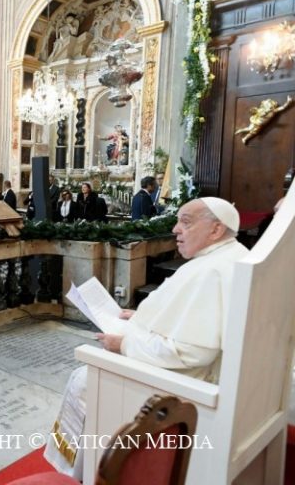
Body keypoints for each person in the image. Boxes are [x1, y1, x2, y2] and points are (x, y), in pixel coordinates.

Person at [44, 197, 249, 479]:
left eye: (186, 222)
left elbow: (190, 353)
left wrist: (124, 344)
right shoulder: (225, 257)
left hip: (184, 386)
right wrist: (139, 316)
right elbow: (182, 315)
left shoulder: (212, 271)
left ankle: (79, 473)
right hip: (198, 377)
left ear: (216, 229)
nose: (175, 229)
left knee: (83, 380)